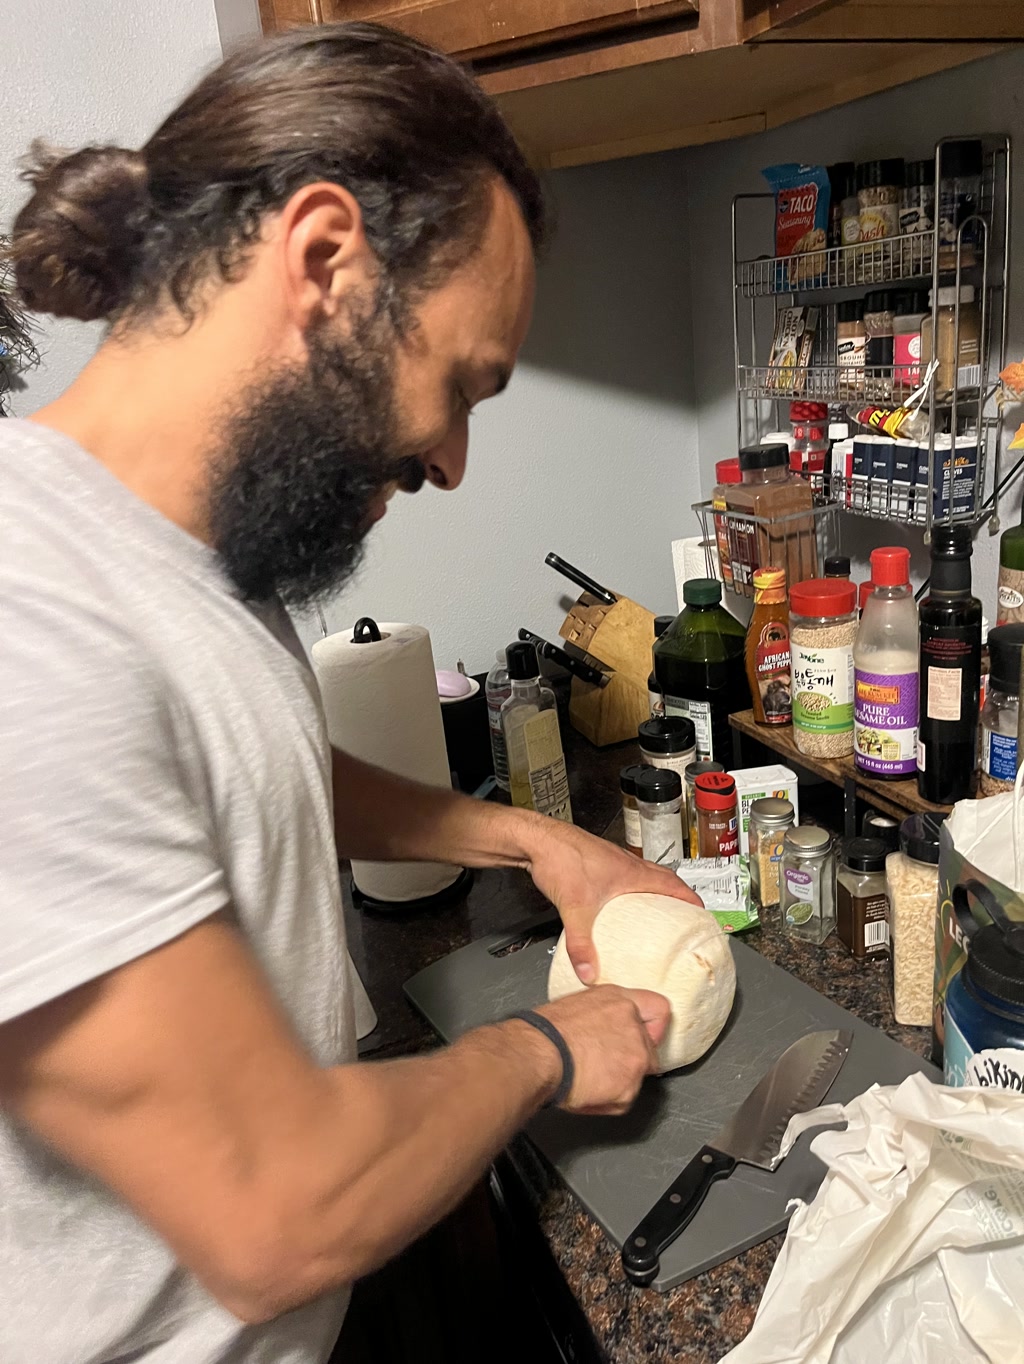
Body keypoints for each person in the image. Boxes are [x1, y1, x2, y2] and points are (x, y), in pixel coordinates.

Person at [0, 22, 698, 1364]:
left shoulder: (180, 565)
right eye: (460, 385)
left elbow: (249, 780)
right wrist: (549, 1049)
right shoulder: (33, 612)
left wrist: (537, 839)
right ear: (325, 259)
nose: (451, 459)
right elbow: (280, 1210)